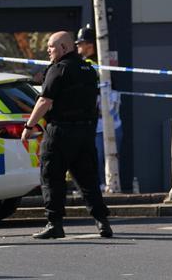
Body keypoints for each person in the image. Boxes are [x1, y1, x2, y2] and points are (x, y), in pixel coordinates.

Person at [21, 31, 113, 239]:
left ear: (63, 48)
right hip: (85, 133)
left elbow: (45, 101)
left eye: (51, 47)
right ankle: (102, 222)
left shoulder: (58, 69)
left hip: (60, 132)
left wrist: (29, 126)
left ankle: (54, 224)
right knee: (88, 179)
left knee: (52, 177)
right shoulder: (88, 70)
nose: (48, 51)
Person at [75, 24, 123, 189]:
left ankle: (101, 187)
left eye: (80, 43)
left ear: (89, 44)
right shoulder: (103, 64)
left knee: (96, 159)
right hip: (113, 123)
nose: (78, 46)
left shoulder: (89, 65)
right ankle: (108, 185)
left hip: (100, 124)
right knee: (109, 161)